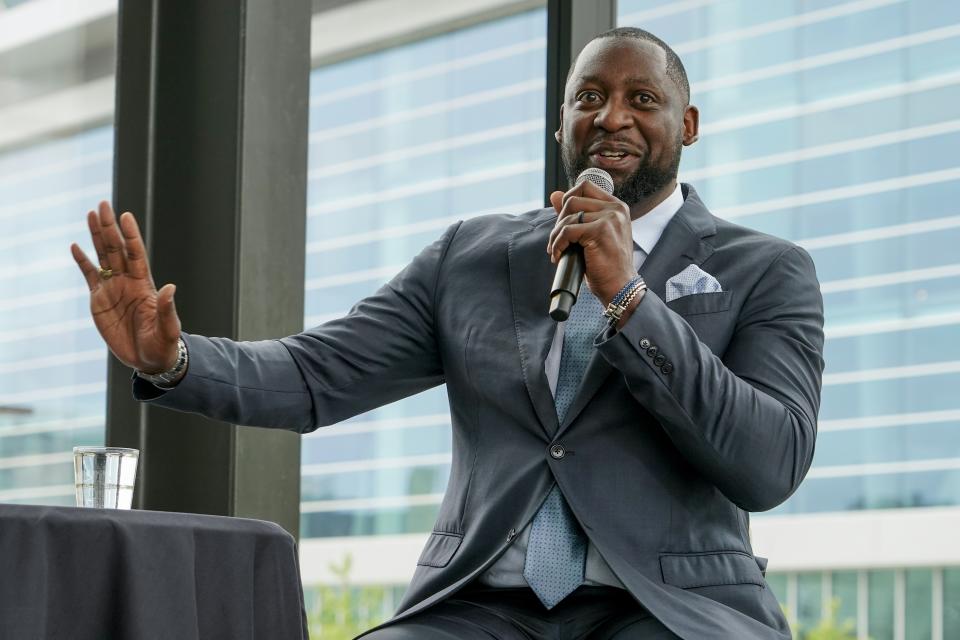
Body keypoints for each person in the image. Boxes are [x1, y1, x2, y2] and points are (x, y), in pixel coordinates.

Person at [71, 27, 824, 640]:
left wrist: (628, 296)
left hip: (671, 611)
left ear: (686, 126)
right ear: (560, 123)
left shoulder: (766, 269)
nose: (611, 116)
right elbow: (313, 374)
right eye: (588, 97)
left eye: (642, 99)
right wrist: (173, 359)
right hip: (477, 608)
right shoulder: (474, 255)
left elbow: (768, 463)